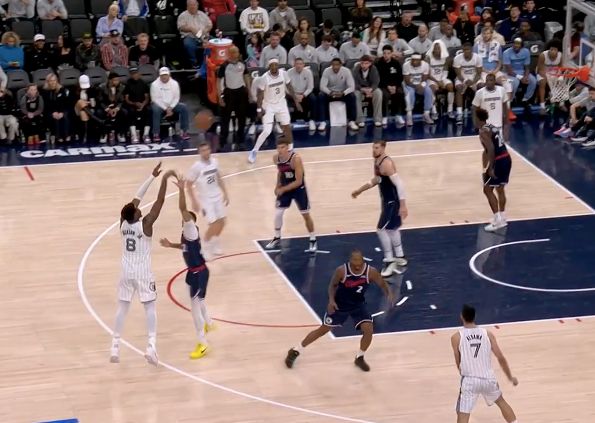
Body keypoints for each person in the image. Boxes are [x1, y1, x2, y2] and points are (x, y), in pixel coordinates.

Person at [110, 163, 176, 366]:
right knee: (150, 308)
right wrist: (163, 180)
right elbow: (160, 201)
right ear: (136, 215)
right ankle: (151, 347)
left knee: (123, 307)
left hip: (126, 270)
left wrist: (151, 176)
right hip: (142, 272)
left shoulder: (123, 222)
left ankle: (115, 345)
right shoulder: (145, 224)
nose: (140, 208)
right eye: (138, 210)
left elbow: (136, 198)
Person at [285, 249, 393, 372]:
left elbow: (382, 283)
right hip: (340, 305)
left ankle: (360, 357)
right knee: (323, 330)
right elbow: (332, 285)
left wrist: (389, 294)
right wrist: (331, 301)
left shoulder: (371, 272)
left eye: (359, 261)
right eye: (354, 261)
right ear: (350, 260)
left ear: (363, 260)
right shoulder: (342, 270)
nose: (357, 265)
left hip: (358, 305)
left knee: (368, 329)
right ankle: (295, 350)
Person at [160, 175, 215, 359]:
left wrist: (181, 189)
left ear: (190, 221)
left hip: (199, 273)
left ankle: (203, 343)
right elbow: (185, 247)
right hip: (195, 272)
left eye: (187, 218)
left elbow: (182, 208)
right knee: (199, 301)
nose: (184, 217)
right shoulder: (186, 234)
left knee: (194, 308)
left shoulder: (190, 228)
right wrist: (171, 245)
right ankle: (209, 323)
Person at [451, 304, 519, 423]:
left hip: (469, 380)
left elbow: (458, 361)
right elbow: (500, 357)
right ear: (475, 316)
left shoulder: (456, 337)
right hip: (488, 378)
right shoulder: (488, 334)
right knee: (501, 402)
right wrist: (510, 377)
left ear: (462, 316)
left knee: (463, 413)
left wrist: (463, 372)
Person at [352, 140, 408, 276]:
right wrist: (359, 190)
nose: (374, 150)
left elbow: (400, 184)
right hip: (387, 201)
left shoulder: (386, 164)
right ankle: (400, 256)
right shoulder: (377, 161)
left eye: (377, 148)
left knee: (381, 230)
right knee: (392, 229)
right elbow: (376, 180)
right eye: (373, 147)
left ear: (383, 148)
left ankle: (389, 260)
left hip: (392, 202)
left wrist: (403, 205)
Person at [264, 138, 316, 252]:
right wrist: (277, 186)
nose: (280, 150)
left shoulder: (296, 159)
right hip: (285, 187)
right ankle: (277, 237)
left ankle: (313, 239)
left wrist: (283, 189)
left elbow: (299, 181)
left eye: (282, 147)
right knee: (278, 213)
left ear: (287, 147)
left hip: (298, 189)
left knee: (305, 214)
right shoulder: (276, 158)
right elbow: (280, 172)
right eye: (278, 148)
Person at [248, 58, 301, 163]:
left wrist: (296, 101)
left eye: (276, 65)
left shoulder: (283, 74)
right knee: (267, 131)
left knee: (287, 127)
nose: (274, 67)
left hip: (281, 104)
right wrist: (259, 109)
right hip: (268, 106)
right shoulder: (264, 78)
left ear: (278, 65)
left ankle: (290, 150)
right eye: (272, 65)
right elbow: (260, 94)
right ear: (269, 67)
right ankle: (254, 150)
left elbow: (289, 86)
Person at [185, 141, 230, 259]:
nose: (206, 152)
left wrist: (225, 193)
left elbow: (218, 178)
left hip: (217, 196)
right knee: (213, 223)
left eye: (207, 149)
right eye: (203, 150)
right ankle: (204, 247)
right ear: (199, 152)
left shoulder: (215, 162)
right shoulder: (196, 167)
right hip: (205, 199)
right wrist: (194, 201)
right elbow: (188, 184)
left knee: (222, 222)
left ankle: (214, 244)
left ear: (210, 150)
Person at [475, 108, 511, 232]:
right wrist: (484, 168)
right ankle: (503, 217)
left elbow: (490, 149)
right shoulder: (492, 127)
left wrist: (490, 168)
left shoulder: (483, 131)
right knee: (500, 189)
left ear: (477, 118)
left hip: (498, 161)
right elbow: (486, 150)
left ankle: (498, 220)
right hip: (506, 158)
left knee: (487, 190)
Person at [218, 46, 250, 150]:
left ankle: (240, 141)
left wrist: (249, 92)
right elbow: (218, 81)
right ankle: (222, 142)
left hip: (240, 93)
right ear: (229, 54)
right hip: (228, 93)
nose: (234, 54)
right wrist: (220, 97)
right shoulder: (224, 65)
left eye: (236, 52)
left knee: (241, 119)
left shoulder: (242, 64)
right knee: (225, 119)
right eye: (232, 52)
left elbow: (246, 77)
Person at [150, 67, 190, 142]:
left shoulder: (175, 83)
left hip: (172, 105)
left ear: (169, 75)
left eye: (166, 75)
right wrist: (166, 108)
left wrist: (171, 107)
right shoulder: (154, 84)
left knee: (183, 107)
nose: (164, 77)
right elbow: (155, 99)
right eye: (162, 75)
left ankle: (184, 131)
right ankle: (156, 133)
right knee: (155, 109)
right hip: (160, 105)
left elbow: (176, 97)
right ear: (159, 75)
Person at [318, 57, 357, 131]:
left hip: (342, 93)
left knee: (352, 96)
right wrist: (330, 92)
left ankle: (352, 121)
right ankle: (322, 122)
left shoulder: (346, 71)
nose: (335, 67)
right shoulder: (326, 71)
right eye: (333, 65)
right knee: (321, 95)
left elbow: (352, 87)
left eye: (337, 65)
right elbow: (322, 86)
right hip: (330, 93)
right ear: (331, 65)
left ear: (341, 65)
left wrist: (343, 93)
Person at [503, 38, 536, 114]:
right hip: (509, 73)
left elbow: (527, 67)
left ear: (521, 45)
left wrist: (526, 76)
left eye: (518, 44)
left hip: (522, 72)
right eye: (515, 43)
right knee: (515, 82)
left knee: (533, 81)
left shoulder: (526, 51)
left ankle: (525, 100)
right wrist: (520, 78)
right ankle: (511, 100)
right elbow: (509, 70)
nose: (516, 45)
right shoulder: (506, 53)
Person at [453, 42, 483, 123]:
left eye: (468, 50)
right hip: (462, 78)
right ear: (463, 50)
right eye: (465, 50)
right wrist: (465, 81)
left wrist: (473, 82)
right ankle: (459, 113)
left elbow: (479, 73)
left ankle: (480, 111)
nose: (466, 51)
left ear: (471, 50)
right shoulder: (457, 58)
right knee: (459, 88)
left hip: (474, 78)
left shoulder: (478, 58)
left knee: (481, 86)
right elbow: (458, 74)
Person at [376, 45, 405, 126]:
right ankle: (385, 116)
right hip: (383, 85)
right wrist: (388, 86)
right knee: (385, 95)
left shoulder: (396, 63)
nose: (386, 55)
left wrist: (395, 86)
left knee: (400, 93)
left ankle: (398, 115)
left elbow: (400, 77)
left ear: (391, 54)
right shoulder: (378, 63)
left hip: (395, 85)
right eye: (384, 53)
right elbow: (378, 78)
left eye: (388, 53)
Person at [177, 0, 212, 68]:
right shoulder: (183, 15)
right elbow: (181, 27)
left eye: (194, 5)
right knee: (189, 45)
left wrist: (205, 31)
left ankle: (210, 62)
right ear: (187, 6)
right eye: (191, 5)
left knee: (215, 42)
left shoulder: (202, 14)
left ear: (197, 6)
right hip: (190, 37)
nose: (193, 7)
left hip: (205, 35)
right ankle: (194, 63)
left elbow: (210, 25)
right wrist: (190, 29)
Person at [287, 58, 318, 131]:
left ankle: (312, 120)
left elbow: (310, 87)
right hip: (292, 94)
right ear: (294, 65)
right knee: (283, 98)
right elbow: (286, 88)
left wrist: (303, 95)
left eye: (300, 64)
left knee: (313, 98)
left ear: (303, 65)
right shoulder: (289, 72)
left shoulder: (308, 72)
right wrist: (294, 95)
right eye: (297, 64)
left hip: (304, 94)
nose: (298, 66)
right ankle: (286, 122)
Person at [426, 39, 454, 119]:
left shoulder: (445, 58)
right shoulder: (428, 58)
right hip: (431, 79)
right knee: (433, 88)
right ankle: (434, 111)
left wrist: (442, 80)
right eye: (435, 48)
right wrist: (437, 82)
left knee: (450, 86)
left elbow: (445, 71)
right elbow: (427, 74)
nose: (437, 50)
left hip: (442, 78)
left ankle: (450, 109)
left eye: (439, 48)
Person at [352, 55, 383, 127]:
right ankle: (360, 120)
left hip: (370, 88)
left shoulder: (374, 69)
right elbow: (354, 82)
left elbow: (376, 82)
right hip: (359, 88)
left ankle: (377, 119)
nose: (364, 65)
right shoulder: (356, 69)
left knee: (378, 93)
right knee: (356, 95)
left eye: (366, 63)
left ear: (370, 63)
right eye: (362, 63)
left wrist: (371, 89)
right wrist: (362, 89)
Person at [402, 53, 433, 125]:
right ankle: (409, 115)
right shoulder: (406, 65)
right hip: (409, 84)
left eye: (416, 60)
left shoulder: (425, 65)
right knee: (410, 92)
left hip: (420, 83)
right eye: (413, 60)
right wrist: (416, 87)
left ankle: (426, 114)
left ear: (420, 60)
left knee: (428, 90)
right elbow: (407, 81)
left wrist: (422, 85)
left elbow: (425, 78)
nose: (414, 62)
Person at [42, 73, 71, 144]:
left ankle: (67, 135)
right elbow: (46, 105)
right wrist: (53, 112)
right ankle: (58, 136)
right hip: (50, 111)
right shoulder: (45, 91)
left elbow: (66, 103)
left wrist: (61, 112)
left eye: (54, 80)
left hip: (62, 110)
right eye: (51, 81)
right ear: (48, 82)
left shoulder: (62, 90)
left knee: (65, 116)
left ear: (57, 81)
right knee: (54, 117)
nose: (53, 82)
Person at [99, 72, 127, 143]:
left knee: (124, 112)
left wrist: (116, 109)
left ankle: (120, 133)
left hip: (116, 106)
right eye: (115, 80)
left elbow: (121, 101)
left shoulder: (122, 87)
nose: (117, 82)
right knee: (99, 112)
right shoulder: (102, 87)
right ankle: (104, 134)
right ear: (110, 80)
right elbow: (100, 101)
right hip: (106, 106)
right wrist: (107, 109)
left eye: (118, 80)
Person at [536, 39, 563, 115]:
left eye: (555, 49)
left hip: (554, 73)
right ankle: (542, 106)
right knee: (542, 82)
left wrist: (559, 75)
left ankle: (561, 104)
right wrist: (549, 80)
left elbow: (560, 68)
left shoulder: (560, 55)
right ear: (549, 49)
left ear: (558, 50)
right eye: (551, 49)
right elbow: (540, 69)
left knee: (562, 80)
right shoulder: (543, 55)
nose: (553, 51)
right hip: (542, 72)